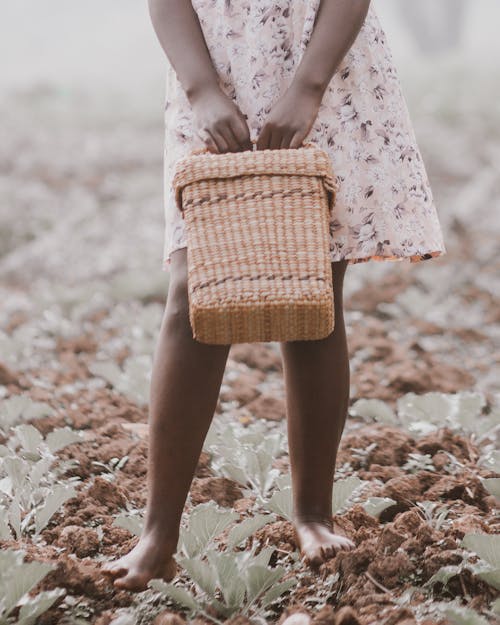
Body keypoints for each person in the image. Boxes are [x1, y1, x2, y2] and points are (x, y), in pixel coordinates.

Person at [102, 0, 446, 591]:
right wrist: (202, 88)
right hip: (215, 73)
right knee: (193, 295)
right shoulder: (204, 83)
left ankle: (313, 515)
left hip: (322, 68)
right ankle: (157, 535)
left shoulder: (318, 79)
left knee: (314, 293)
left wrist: (309, 86)